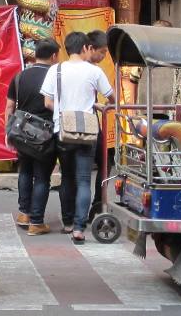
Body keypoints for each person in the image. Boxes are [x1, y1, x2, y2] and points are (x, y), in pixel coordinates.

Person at [40, 31, 114, 244]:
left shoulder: (56, 69)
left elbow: (47, 102)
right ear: (84, 48)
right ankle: (80, 229)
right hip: (87, 131)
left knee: (67, 177)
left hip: (62, 130)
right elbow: (111, 97)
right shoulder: (94, 71)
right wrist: (94, 106)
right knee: (83, 180)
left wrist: (64, 112)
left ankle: (68, 223)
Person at [5, 38, 60, 236]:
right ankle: (36, 222)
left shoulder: (20, 76)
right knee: (43, 177)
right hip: (45, 137)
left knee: (25, 172)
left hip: (21, 133)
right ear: (54, 56)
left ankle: (24, 214)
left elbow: (10, 107)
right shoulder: (56, 77)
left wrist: (8, 132)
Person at [130, 19, 181, 118]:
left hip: (171, 110)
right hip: (145, 108)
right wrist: (133, 106)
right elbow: (134, 79)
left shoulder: (177, 55)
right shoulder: (144, 53)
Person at [86, 30, 112, 220]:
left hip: (69, 123)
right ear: (90, 48)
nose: (103, 57)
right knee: (104, 162)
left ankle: (72, 216)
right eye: (102, 52)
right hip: (91, 122)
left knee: (79, 170)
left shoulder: (63, 68)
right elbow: (112, 97)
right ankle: (97, 203)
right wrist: (104, 105)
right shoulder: (94, 71)